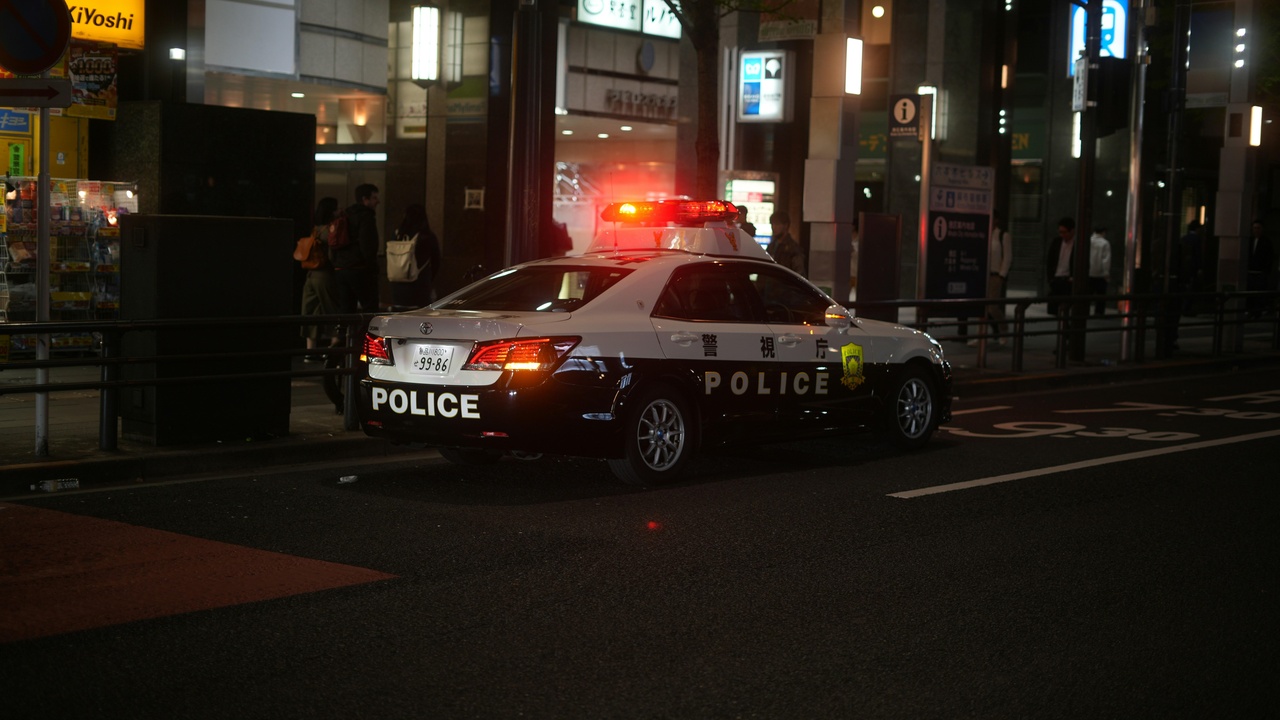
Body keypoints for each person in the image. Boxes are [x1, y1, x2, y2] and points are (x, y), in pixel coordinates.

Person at [299, 197, 341, 362]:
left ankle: (310, 351)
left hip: (310, 274)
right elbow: (332, 256)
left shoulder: (315, 229)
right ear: (332, 211)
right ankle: (333, 352)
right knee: (333, 311)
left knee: (310, 312)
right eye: (337, 209)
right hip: (325, 275)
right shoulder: (329, 230)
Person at [331, 183, 381, 316]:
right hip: (359, 269)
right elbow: (367, 245)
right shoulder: (366, 217)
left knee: (346, 309)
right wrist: (372, 267)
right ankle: (367, 336)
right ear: (365, 199)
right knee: (370, 309)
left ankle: (342, 336)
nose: (378, 202)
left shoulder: (345, 215)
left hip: (341, 269)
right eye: (374, 198)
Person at [969, 216, 1012, 346]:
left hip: (995, 275)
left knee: (993, 307)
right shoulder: (982, 234)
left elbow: (1008, 256)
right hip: (982, 275)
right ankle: (981, 335)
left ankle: (1003, 330)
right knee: (982, 306)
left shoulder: (1002, 235)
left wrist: (1002, 275)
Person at [388, 203, 441, 309]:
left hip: (397, 287)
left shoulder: (397, 235)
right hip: (420, 285)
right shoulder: (427, 237)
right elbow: (436, 261)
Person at [1044, 216, 1076, 317]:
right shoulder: (1057, 242)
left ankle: (1066, 329)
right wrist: (1050, 279)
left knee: (1066, 308)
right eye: (1060, 232)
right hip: (1056, 279)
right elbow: (1050, 261)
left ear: (1072, 231)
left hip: (1069, 280)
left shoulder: (1078, 244)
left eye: (1064, 232)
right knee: (1055, 310)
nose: (1062, 235)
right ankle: (1063, 329)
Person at [1247, 220, 1274, 318]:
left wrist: (1266, 271)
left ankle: (1257, 311)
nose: (1256, 230)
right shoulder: (1249, 241)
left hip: (1260, 272)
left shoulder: (1266, 242)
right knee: (1250, 292)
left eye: (1258, 228)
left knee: (1259, 293)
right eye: (1254, 228)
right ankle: (1251, 311)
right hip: (1250, 271)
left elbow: (1269, 257)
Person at [766, 210, 805, 275]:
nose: (773, 227)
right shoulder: (771, 246)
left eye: (777, 224)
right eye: (772, 224)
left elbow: (799, 273)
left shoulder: (793, 249)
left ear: (786, 225)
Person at [1088, 226, 1112, 316]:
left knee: (1087, 294)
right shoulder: (1105, 243)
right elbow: (1106, 259)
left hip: (1089, 272)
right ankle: (1098, 312)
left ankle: (1084, 311)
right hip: (1100, 274)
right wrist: (1106, 273)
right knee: (1101, 295)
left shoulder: (1089, 241)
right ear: (1103, 232)